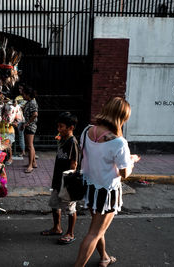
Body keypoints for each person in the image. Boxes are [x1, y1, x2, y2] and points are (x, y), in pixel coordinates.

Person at [74, 97, 140, 267]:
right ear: (122, 117)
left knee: (97, 228)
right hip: (106, 192)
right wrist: (132, 160)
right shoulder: (119, 142)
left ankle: (104, 256)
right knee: (94, 233)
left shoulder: (87, 130)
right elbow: (124, 173)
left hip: (90, 187)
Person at [40, 112, 79, 245]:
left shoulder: (72, 142)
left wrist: (70, 181)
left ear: (71, 128)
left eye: (61, 127)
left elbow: (74, 163)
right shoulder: (63, 139)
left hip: (67, 180)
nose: (59, 129)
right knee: (55, 204)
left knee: (70, 207)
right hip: (58, 178)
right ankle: (57, 228)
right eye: (58, 126)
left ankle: (70, 232)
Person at [20, 85, 38, 173]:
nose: (23, 96)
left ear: (28, 94)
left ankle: (30, 165)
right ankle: (33, 162)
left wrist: (27, 123)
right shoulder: (29, 102)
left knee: (30, 146)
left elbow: (35, 114)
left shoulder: (32, 103)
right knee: (31, 145)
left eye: (24, 94)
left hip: (30, 127)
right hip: (29, 126)